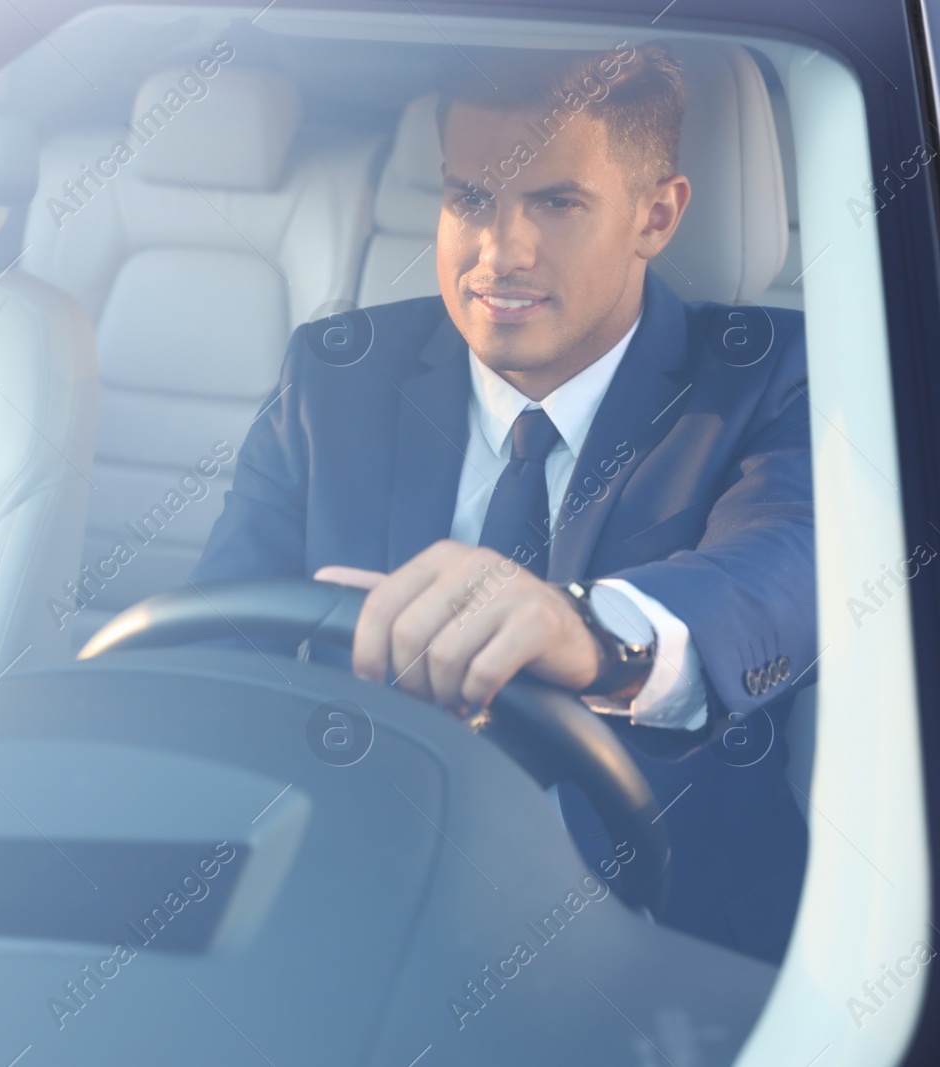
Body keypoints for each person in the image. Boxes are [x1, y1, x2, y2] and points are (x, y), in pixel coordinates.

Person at [190, 43, 812, 963]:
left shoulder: (774, 378)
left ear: (656, 215)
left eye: (556, 203)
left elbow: (780, 574)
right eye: (469, 198)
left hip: (660, 946)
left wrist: (592, 637)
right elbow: (213, 662)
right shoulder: (336, 377)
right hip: (345, 915)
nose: (499, 251)